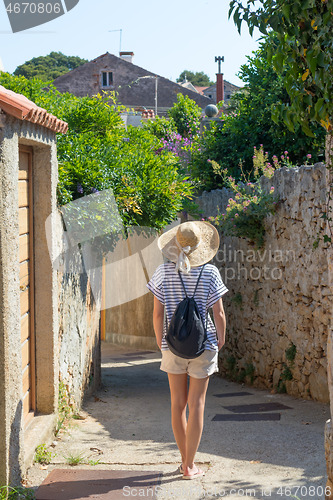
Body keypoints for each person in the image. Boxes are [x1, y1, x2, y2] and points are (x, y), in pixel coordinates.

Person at [147, 220, 228, 480]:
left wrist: (162, 344)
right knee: (198, 404)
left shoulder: (163, 272)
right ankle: (190, 466)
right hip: (203, 346)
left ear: (175, 245)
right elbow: (219, 313)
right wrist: (220, 340)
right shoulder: (210, 273)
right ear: (201, 247)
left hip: (172, 347)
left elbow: (158, 314)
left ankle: (184, 462)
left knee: (177, 405)